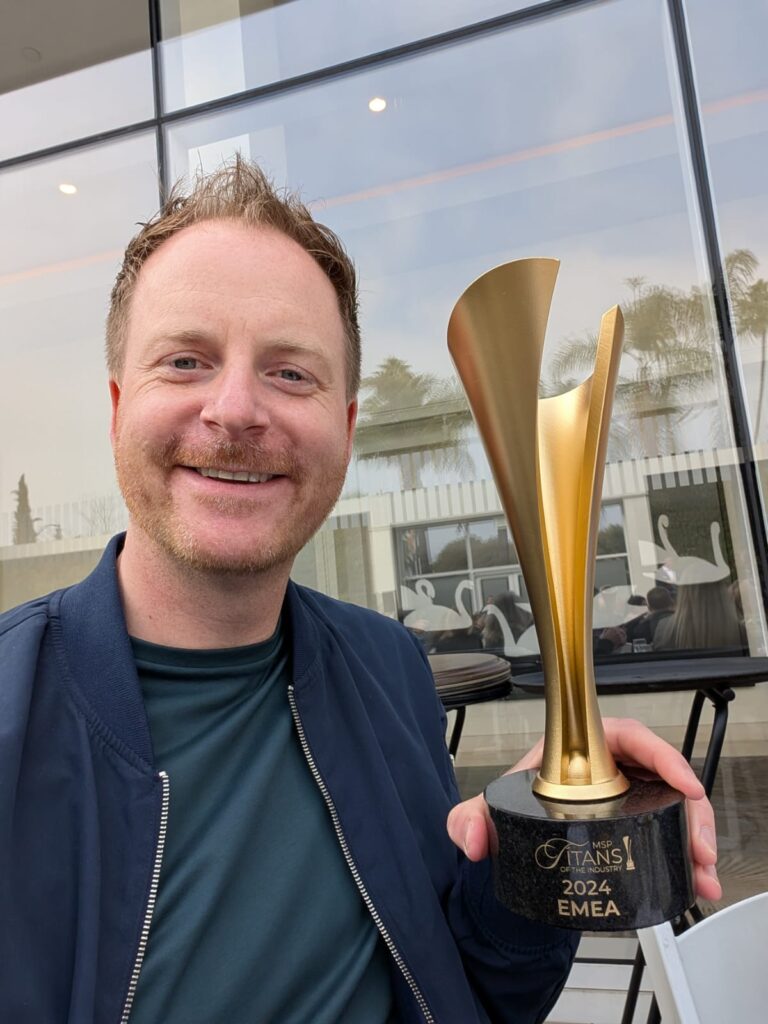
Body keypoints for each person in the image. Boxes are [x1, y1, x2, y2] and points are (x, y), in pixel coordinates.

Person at [0, 159, 719, 1024]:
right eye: (186, 360)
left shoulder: (387, 666)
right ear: (119, 407)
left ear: (343, 429)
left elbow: (481, 993)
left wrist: (533, 845)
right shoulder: (11, 702)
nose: (234, 409)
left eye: (291, 373)